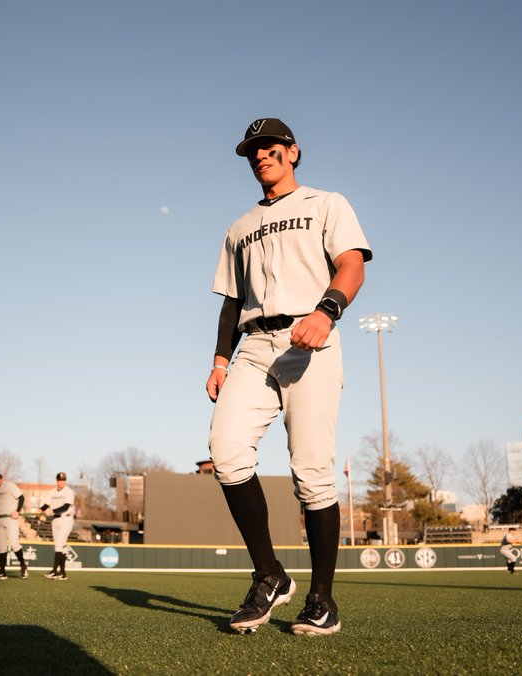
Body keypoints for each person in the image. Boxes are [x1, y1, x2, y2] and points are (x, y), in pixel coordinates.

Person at [206, 118, 371, 636]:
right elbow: (233, 301)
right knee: (226, 451)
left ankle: (322, 599)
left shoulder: (327, 203)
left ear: (293, 152)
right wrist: (218, 359)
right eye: (253, 151)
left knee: (312, 472)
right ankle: (270, 575)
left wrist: (326, 312)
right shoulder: (238, 227)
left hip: (311, 337)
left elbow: (352, 265)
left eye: (271, 147)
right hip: (254, 345)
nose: (261, 156)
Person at [0, 470, 28, 579]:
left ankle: (23, 566)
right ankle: (2, 572)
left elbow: (21, 497)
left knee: (14, 544)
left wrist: (18, 511)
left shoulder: (9, 485)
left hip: (11, 518)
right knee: (1, 546)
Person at [39, 471, 76, 580]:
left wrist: (53, 511)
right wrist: (41, 509)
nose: (62, 482)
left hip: (66, 519)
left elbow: (66, 507)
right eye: (60, 480)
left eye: (64, 480)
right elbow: (46, 503)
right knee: (60, 546)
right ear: (57, 481)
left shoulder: (69, 492)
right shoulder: (52, 492)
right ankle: (62, 573)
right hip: (56, 520)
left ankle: (54, 570)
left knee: (59, 544)